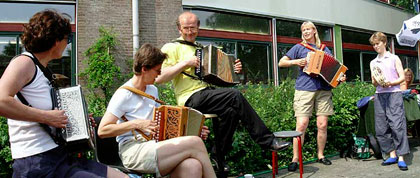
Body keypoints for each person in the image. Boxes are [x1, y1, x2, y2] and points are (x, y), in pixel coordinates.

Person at [155, 11, 290, 177]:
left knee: (231, 112)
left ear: (198, 28)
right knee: (235, 97)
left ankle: (218, 158)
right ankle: (267, 141)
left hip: (207, 94)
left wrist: (234, 69)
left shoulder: (201, 48)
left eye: (193, 28)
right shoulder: (171, 47)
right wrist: (185, 63)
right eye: (186, 28)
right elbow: (160, 77)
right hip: (189, 98)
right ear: (179, 29)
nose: (190, 32)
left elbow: (221, 77)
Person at [0, 10, 127, 178]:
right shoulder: (24, 63)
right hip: (36, 163)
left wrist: (78, 121)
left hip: (59, 156)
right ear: (55, 41)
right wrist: (46, 117)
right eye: (68, 39)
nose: (68, 43)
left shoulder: (43, 70)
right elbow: (2, 101)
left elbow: (52, 114)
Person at [97, 43, 217, 178]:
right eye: (157, 71)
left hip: (154, 145)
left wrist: (193, 132)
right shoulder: (123, 95)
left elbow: (162, 128)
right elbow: (102, 131)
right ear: (144, 69)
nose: (160, 75)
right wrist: (136, 124)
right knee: (195, 143)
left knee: (192, 165)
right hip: (133, 151)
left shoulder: (152, 90)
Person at [278, 21, 345, 171]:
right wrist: (296, 62)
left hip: (324, 90)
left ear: (314, 31)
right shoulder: (299, 47)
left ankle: (320, 155)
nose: (306, 32)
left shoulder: (324, 49)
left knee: (322, 124)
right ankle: (295, 158)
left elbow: (334, 70)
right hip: (304, 89)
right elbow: (281, 63)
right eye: (303, 30)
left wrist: (340, 78)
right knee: (301, 125)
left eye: (309, 29)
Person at [369, 32, 409, 171]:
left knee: (397, 125)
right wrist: (376, 81)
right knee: (381, 127)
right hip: (379, 95)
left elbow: (402, 77)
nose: (375, 46)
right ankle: (391, 154)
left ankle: (401, 157)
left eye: (377, 43)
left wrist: (391, 83)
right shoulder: (373, 62)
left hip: (394, 94)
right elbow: (374, 83)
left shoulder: (394, 58)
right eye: (373, 45)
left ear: (384, 43)